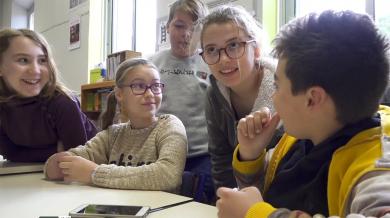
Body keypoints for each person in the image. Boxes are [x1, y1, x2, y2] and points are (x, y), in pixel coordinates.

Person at [216, 10, 390, 218]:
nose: (273, 97)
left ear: (312, 99)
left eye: (277, 86)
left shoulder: (378, 169)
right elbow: (257, 195)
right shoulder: (298, 138)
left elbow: (256, 209)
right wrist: (250, 154)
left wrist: (257, 215)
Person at [45, 58, 188, 192]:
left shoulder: (169, 126)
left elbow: (168, 175)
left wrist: (94, 173)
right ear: (120, 94)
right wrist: (59, 163)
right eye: (139, 86)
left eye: (155, 86)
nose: (150, 93)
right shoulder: (112, 135)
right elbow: (55, 167)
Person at [200, 5, 280, 190]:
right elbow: (221, 162)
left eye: (234, 45)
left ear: (257, 49)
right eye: (211, 50)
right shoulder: (214, 95)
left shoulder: (285, 89)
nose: (223, 59)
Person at [149, 0, 214, 202]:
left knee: (197, 199)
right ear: (167, 27)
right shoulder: (151, 63)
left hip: (201, 154)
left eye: (194, 29)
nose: (186, 34)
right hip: (160, 153)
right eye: (179, 26)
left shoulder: (212, 63)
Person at [0, 28, 97, 162]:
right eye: (23, 60)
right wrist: (54, 152)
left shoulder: (63, 102)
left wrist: (30, 154)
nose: (35, 70)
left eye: (42, 60)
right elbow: (10, 154)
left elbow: (76, 159)